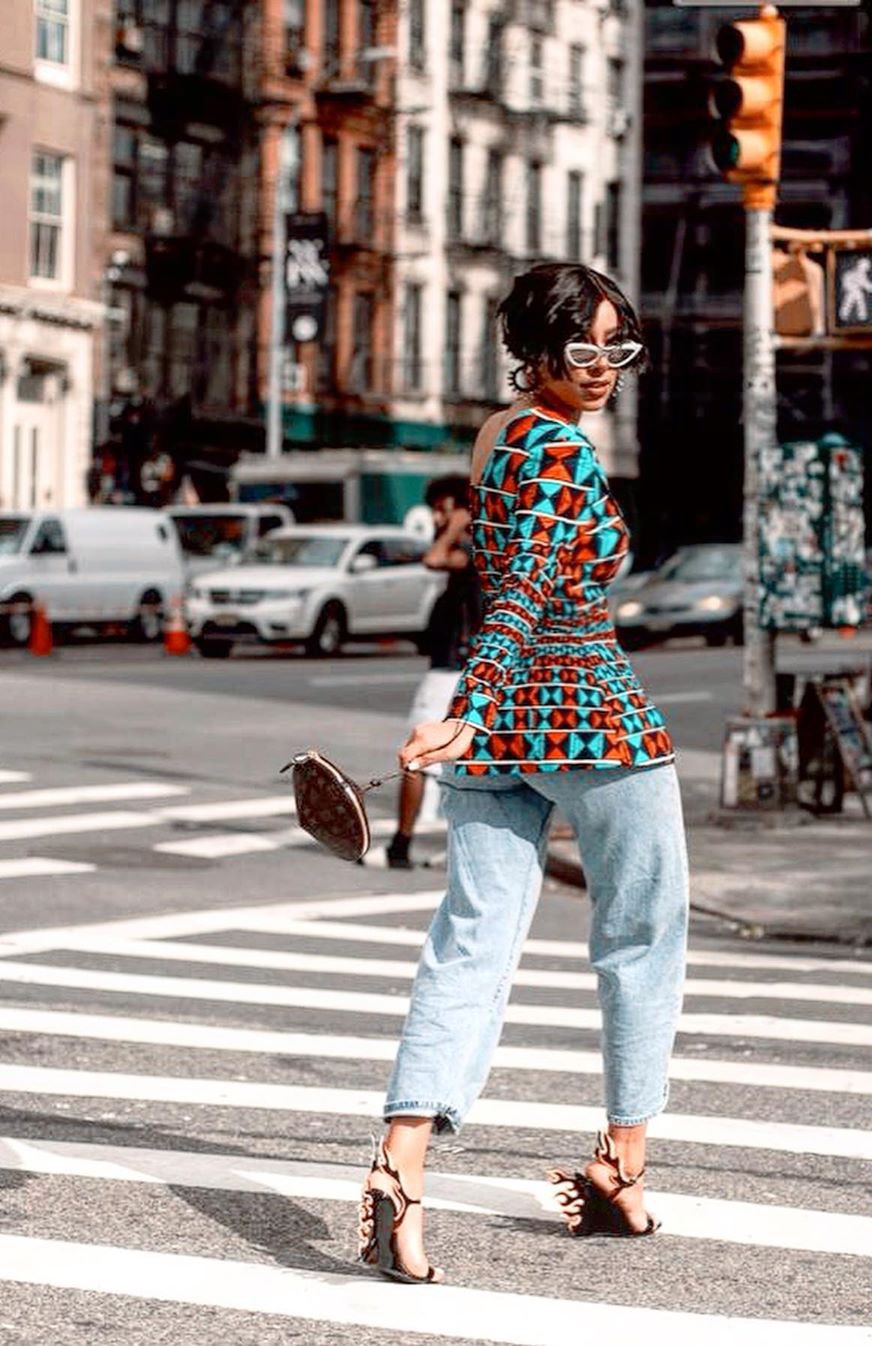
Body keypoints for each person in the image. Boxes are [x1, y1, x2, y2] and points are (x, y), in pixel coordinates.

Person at [358, 263, 689, 1285]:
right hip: (588, 714)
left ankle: (401, 1163)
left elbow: (500, 576)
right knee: (642, 933)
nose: (602, 368)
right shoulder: (558, 446)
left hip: (502, 731)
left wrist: (479, 709)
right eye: (582, 348)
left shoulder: (496, 435)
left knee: (471, 941)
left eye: (618, 349)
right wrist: (474, 700)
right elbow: (533, 582)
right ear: (535, 349)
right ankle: (620, 1164)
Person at [386, 475, 480, 869]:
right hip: (462, 667)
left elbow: (434, 558)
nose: (437, 519)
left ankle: (401, 843)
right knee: (458, 761)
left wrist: (457, 524)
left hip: (451, 669)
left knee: (416, 754)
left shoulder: (470, 549)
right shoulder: (483, 547)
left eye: (443, 510)